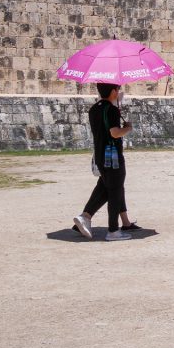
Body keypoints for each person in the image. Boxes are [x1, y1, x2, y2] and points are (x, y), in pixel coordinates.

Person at [72, 82, 141, 241]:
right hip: (113, 158)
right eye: (117, 89)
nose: (118, 92)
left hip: (100, 156)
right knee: (115, 191)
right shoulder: (111, 110)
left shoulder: (94, 109)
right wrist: (128, 128)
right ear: (112, 91)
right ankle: (113, 230)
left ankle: (85, 216)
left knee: (105, 187)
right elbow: (115, 133)